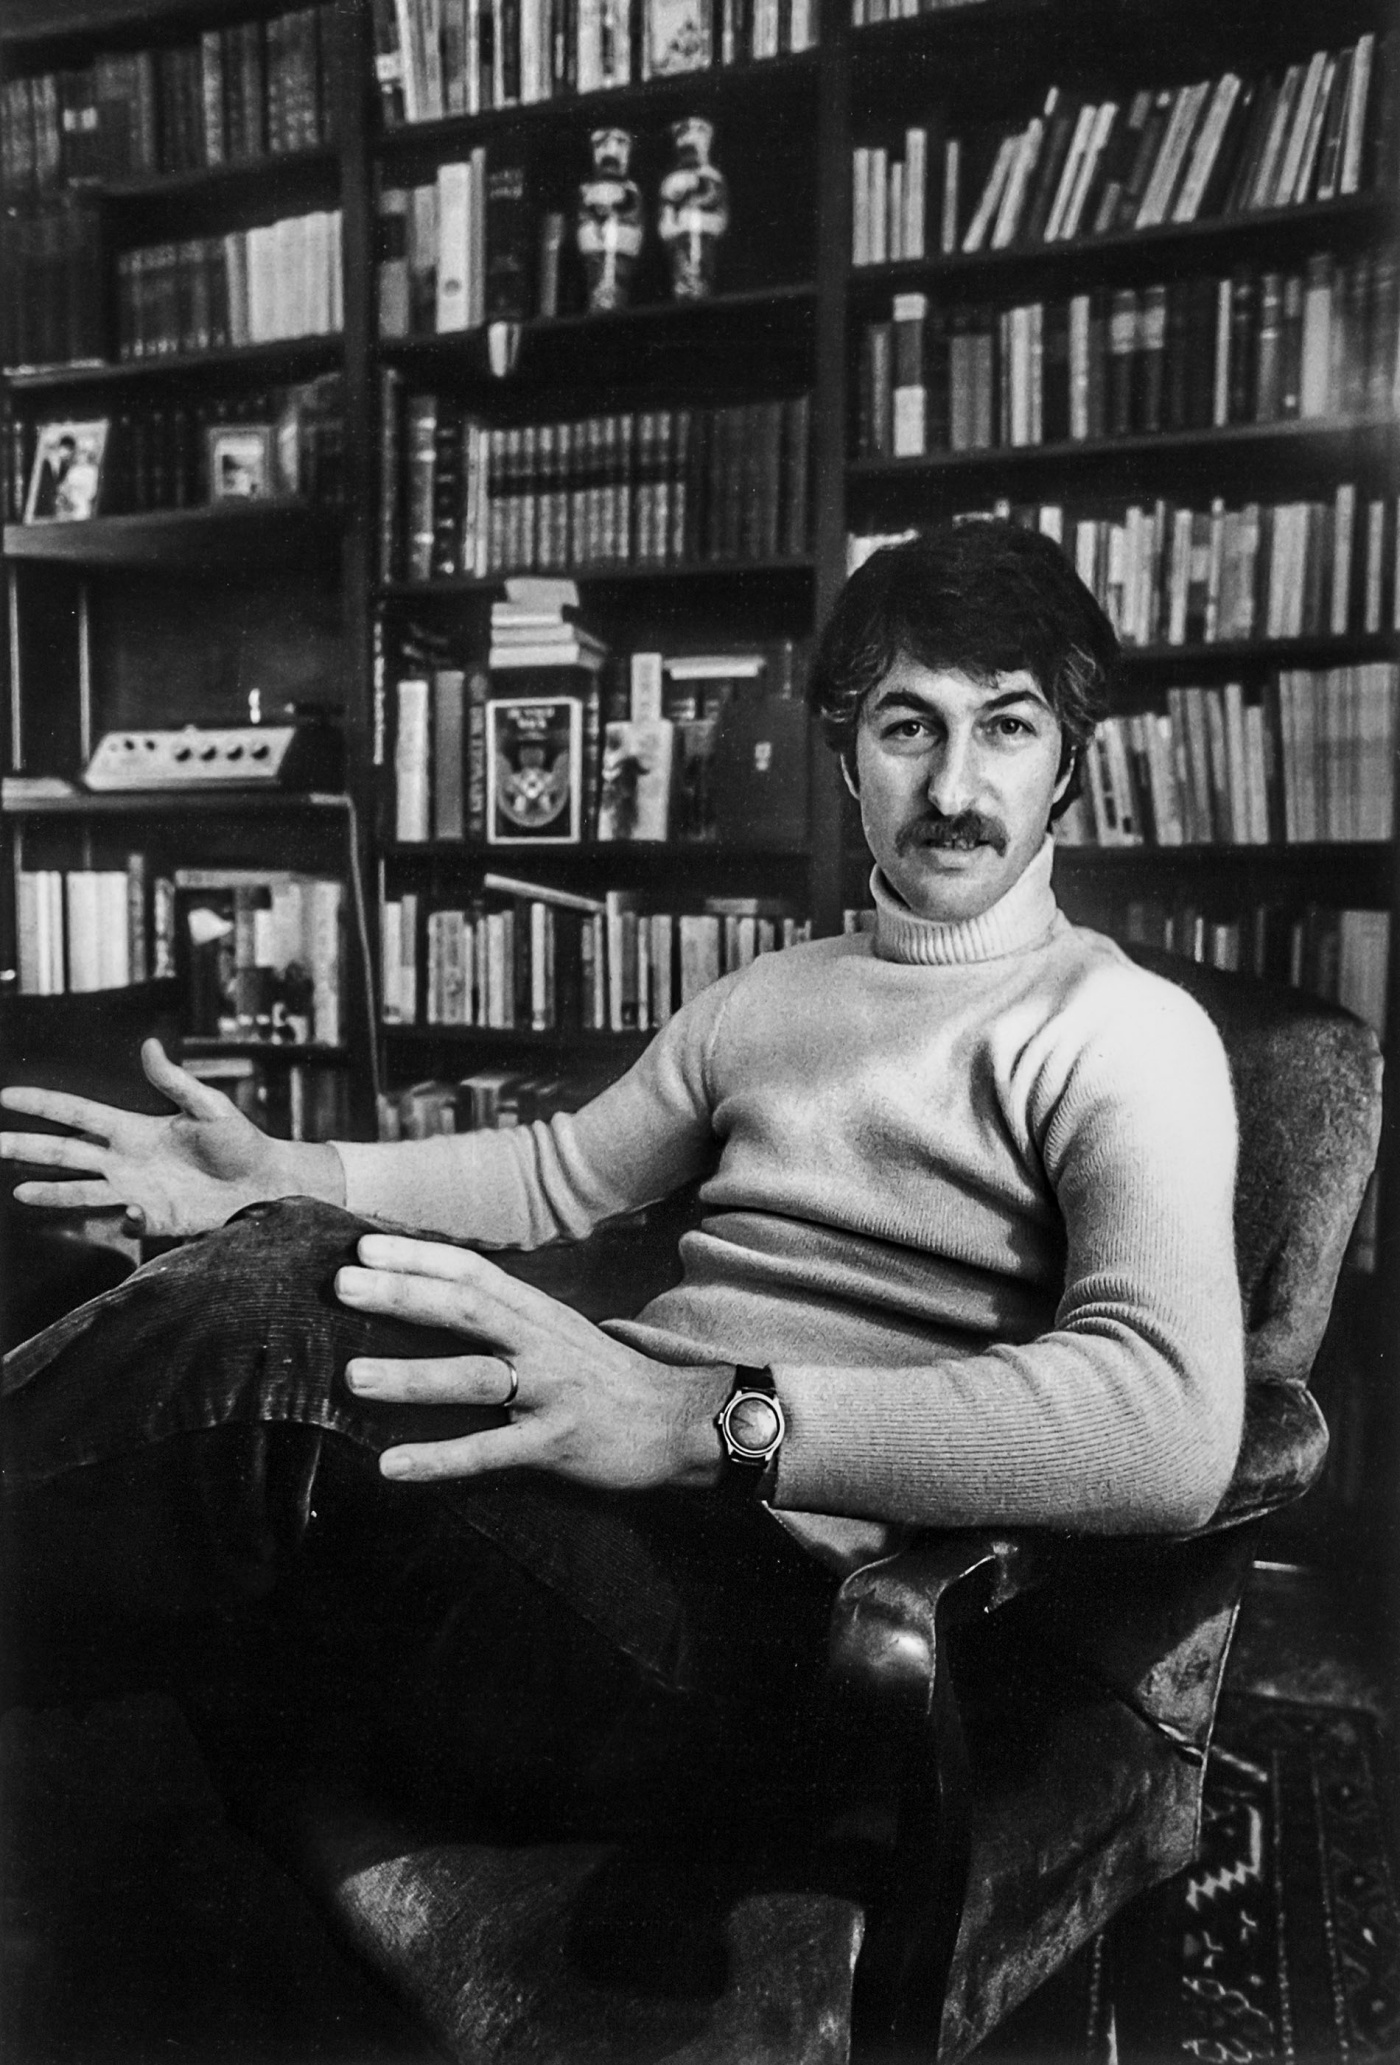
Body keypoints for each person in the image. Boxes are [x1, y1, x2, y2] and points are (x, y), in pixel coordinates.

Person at [0, 519, 1244, 1861]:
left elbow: (1168, 1425)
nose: (954, 781)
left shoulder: (1125, 1029)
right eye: (907, 726)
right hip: (588, 1516)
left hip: (781, 1622)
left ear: (1069, 764)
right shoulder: (771, 993)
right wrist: (282, 1171)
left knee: (276, 1322)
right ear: (846, 755)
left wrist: (704, 1417)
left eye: (1004, 727)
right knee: (275, 1269)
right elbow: (555, 1170)